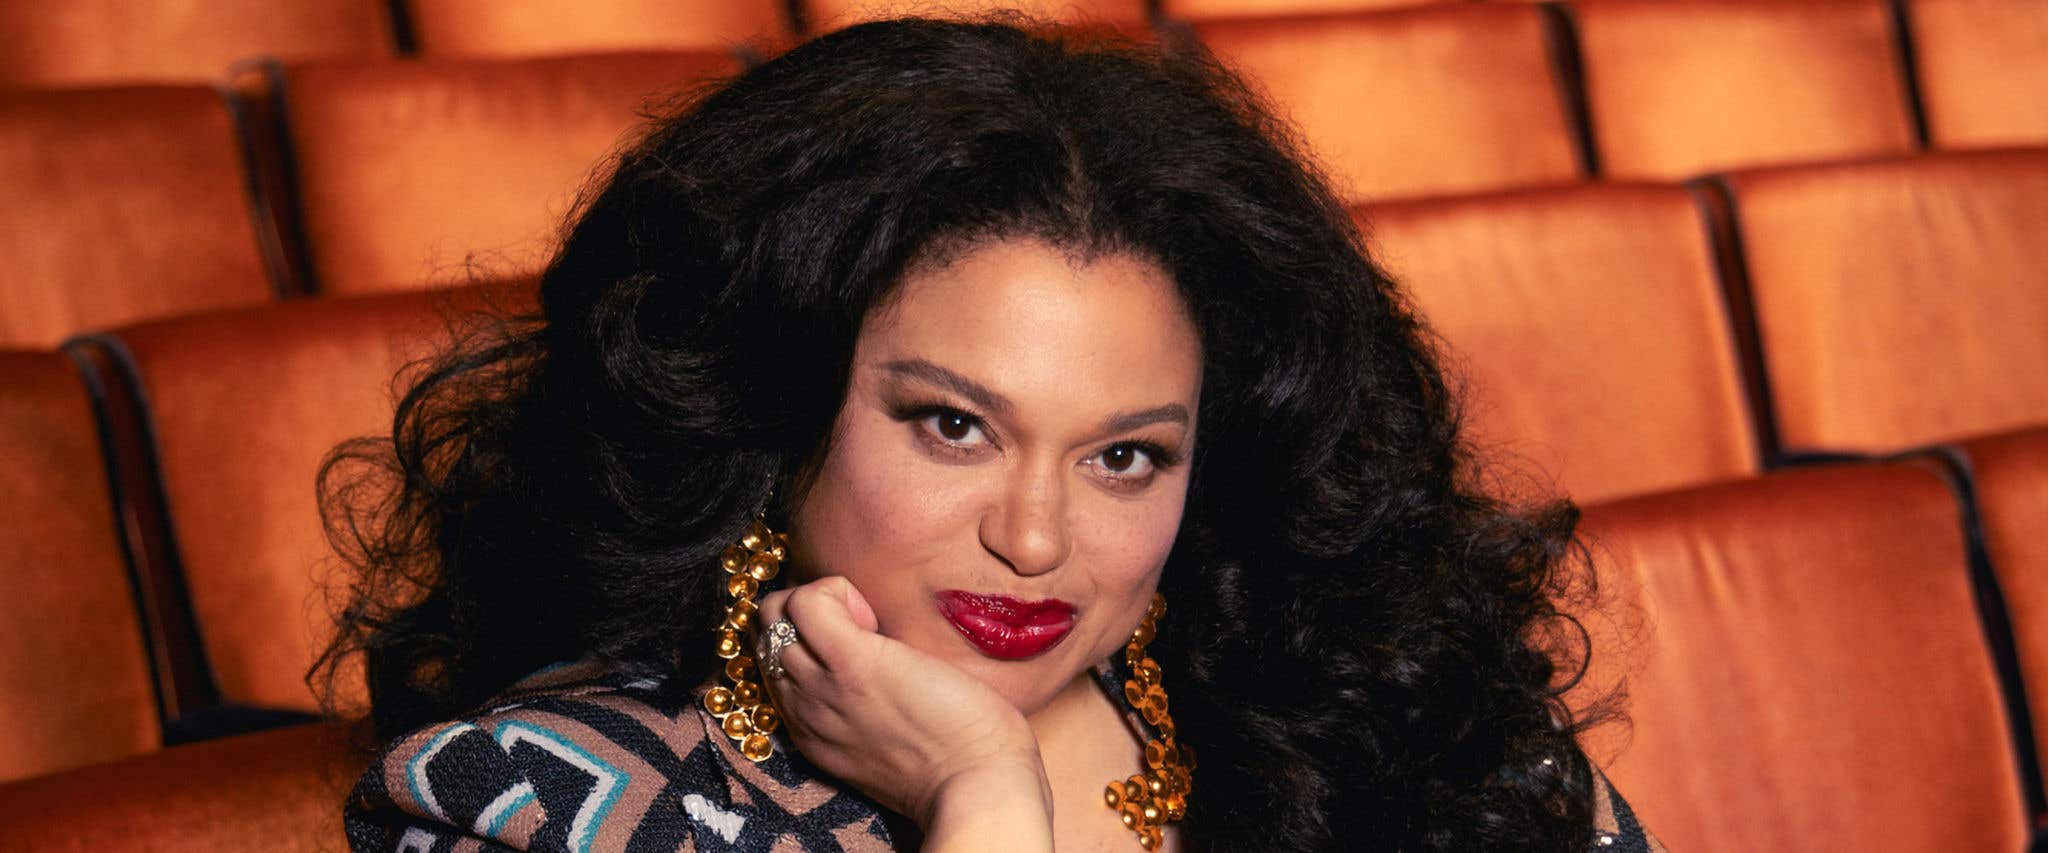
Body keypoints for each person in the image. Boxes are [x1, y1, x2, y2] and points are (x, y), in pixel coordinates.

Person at [320, 15, 1660, 853]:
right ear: (769, 413)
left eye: (1125, 456)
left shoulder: (1383, 716)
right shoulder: (549, 803)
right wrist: (983, 796)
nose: (1034, 538)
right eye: (954, 425)